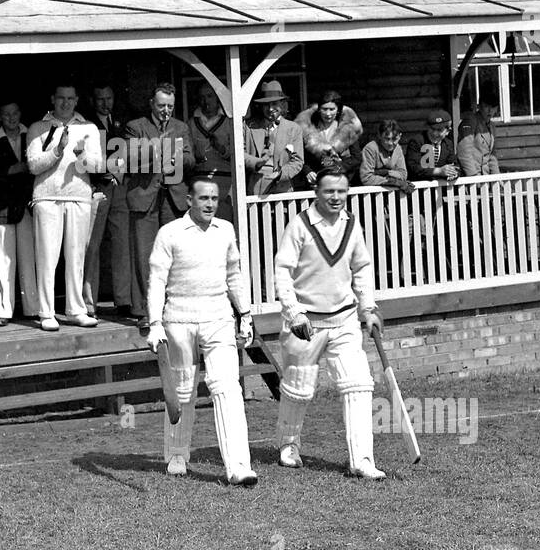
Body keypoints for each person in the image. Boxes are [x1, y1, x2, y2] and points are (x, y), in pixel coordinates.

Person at [271, 165, 386, 479]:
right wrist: (294, 313)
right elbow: (282, 271)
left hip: (345, 318)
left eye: (341, 191)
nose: (336, 197)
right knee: (299, 389)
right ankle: (288, 446)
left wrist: (368, 308)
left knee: (359, 385)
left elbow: (361, 268)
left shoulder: (352, 225)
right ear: (316, 193)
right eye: (329, 191)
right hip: (306, 323)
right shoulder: (300, 225)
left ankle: (362, 460)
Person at [145, 175, 257, 486]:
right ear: (189, 201)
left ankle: (239, 466)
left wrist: (245, 314)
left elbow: (234, 274)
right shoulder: (170, 233)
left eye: (214, 199)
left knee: (227, 387)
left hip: (219, 318)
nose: (210, 204)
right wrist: (155, 325)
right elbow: (157, 282)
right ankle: (177, 454)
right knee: (183, 390)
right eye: (204, 198)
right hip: (178, 320)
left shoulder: (226, 231)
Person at [26, 80, 104, 331]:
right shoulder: (38, 128)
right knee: (47, 257)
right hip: (47, 197)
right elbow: (34, 166)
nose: (66, 103)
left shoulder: (89, 128)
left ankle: (76, 309)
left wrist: (81, 155)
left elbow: (98, 167)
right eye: (61, 98)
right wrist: (58, 150)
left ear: (77, 100)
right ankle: (46, 312)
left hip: (79, 196)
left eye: (71, 98)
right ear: (53, 98)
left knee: (76, 256)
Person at [124, 83, 194, 330]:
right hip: (145, 198)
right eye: (162, 105)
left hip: (173, 198)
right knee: (145, 256)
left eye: (170, 106)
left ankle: (174, 307)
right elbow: (131, 159)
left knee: (176, 255)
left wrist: (175, 157)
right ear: (152, 104)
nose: (166, 110)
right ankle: (145, 311)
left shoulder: (181, 127)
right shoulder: (136, 126)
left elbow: (190, 159)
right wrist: (160, 150)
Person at [0, 99, 37, 327]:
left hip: (27, 205)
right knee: (3, 260)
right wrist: (13, 170)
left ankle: (33, 308)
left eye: (15, 113)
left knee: (29, 259)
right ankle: (3, 311)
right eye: (6, 115)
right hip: (2, 206)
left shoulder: (32, 137)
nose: (12, 118)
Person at [84, 83, 131, 316]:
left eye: (109, 98)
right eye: (100, 99)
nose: (105, 103)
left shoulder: (121, 121)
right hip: (97, 186)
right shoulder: (86, 123)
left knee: (122, 243)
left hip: (120, 186)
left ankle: (123, 299)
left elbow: (128, 151)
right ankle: (89, 302)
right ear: (93, 101)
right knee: (93, 245)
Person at [243, 80, 304, 196]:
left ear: (282, 104)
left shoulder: (293, 128)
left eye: (274, 104)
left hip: (282, 188)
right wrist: (257, 163)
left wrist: (280, 174)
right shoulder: (248, 127)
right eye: (266, 104)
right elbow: (240, 154)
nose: (270, 109)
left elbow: (298, 161)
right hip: (255, 188)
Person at [295, 90, 363, 188]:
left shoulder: (348, 129)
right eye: (324, 109)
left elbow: (357, 158)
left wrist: (339, 168)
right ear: (319, 109)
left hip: (341, 181)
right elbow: (300, 156)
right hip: (316, 183)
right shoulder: (309, 130)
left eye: (332, 109)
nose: (328, 113)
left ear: (338, 109)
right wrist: (307, 171)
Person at [188, 82, 235, 221]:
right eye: (202, 97)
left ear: (217, 98)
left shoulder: (229, 122)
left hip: (224, 183)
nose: (205, 101)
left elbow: (238, 153)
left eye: (209, 96)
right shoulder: (191, 123)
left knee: (224, 222)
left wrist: (222, 148)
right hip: (200, 180)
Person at [405, 110, 460, 183]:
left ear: (447, 131)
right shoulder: (417, 141)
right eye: (432, 129)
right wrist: (439, 171)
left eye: (439, 130)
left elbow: (454, 164)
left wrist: (454, 173)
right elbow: (413, 167)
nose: (434, 133)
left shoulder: (448, 143)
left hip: (440, 190)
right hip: (419, 190)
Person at [359, 120, 413, 193]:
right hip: (369, 194)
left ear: (400, 136)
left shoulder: (398, 149)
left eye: (394, 139)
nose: (390, 143)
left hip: (390, 194)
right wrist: (393, 181)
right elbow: (366, 178)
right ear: (379, 135)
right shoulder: (370, 148)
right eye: (387, 139)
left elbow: (403, 175)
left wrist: (385, 172)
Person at [457, 101, 501, 177]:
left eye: (493, 107)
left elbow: (492, 155)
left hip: (486, 177)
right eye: (486, 106)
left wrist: (497, 178)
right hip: (470, 176)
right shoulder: (470, 122)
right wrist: (474, 177)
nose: (490, 111)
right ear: (479, 107)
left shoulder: (492, 126)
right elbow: (464, 152)